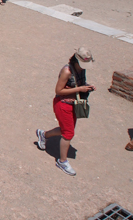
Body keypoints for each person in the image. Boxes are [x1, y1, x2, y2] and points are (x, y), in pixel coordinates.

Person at [36, 48, 96, 176]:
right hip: (63, 105)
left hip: (73, 104)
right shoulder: (67, 71)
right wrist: (80, 88)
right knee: (68, 133)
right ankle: (62, 161)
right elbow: (58, 91)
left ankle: (44, 135)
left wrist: (87, 87)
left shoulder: (81, 69)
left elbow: (77, 85)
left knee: (66, 129)